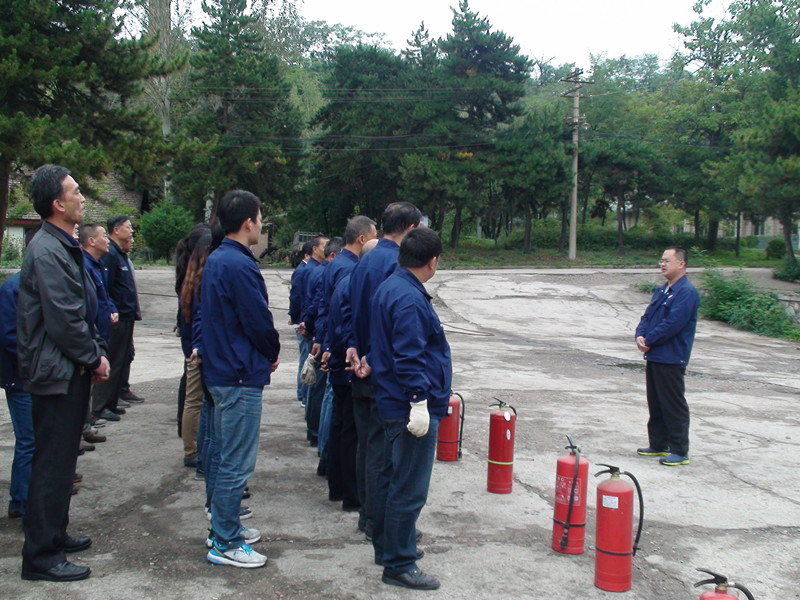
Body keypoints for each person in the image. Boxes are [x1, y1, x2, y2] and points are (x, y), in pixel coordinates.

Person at [18, 164, 110, 582]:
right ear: (57, 204)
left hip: (67, 369)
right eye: (75, 192)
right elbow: (64, 319)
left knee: (61, 463)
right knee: (52, 466)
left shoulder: (60, 243)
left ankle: (55, 535)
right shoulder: (47, 249)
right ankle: (41, 556)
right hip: (56, 374)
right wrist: (93, 357)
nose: (82, 197)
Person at [367, 227, 451, 590]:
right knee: (409, 486)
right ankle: (399, 563)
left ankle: (389, 548)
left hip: (390, 400)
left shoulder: (392, 285)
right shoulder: (408, 299)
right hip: (408, 406)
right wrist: (419, 401)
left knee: (392, 478)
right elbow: (409, 356)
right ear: (432, 262)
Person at [201, 190, 280, 568]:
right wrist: (272, 349)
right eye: (260, 219)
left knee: (222, 455)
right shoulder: (238, 263)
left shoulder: (219, 258)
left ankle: (223, 525)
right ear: (248, 222)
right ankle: (226, 540)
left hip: (222, 370)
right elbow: (257, 319)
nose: (261, 226)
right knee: (235, 461)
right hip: (237, 374)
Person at [345, 201, 420, 539]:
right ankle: (379, 520)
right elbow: (389, 322)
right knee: (385, 451)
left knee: (368, 444)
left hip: (361, 360)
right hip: (379, 369)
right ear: (411, 229)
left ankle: (368, 514)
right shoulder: (395, 263)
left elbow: (352, 309)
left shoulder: (366, 259)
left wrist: (355, 350)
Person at [635, 246, 700, 467]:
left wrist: (649, 339)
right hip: (654, 355)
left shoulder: (686, 293)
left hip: (671, 356)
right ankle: (658, 444)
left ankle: (679, 450)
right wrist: (640, 335)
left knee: (673, 403)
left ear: (681, 264)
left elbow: (672, 324)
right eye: (661, 261)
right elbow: (647, 316)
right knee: (655, 402)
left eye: (667, 261)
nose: (662, 264)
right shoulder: (662, 290)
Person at [91, 214, 141, 422]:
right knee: (112, 360)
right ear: (116, 229)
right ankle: (100, 406)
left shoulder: (120, 253)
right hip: (116, 317)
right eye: (128, 227)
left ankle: (111, 402)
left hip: (127, 315)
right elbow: (106, 287)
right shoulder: (110, 255)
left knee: (121, 360)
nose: (131, 231)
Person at [80, 223, 118, 445]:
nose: (108, 240)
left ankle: (86, 425)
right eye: (104, 236)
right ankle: (82, 428)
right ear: (91, 241)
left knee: (90, 388)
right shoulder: (83, 265)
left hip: (101, 334)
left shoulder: (96, 264)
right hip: (90, 338)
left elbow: (104, 294)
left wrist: (111, 309)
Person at [0, 271, 33, 520]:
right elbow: (11, 338)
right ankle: (21, 501)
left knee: (34, 440)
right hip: (21, 379)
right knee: (28, 441)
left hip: (32, 377)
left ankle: (25, 497)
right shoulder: (14, 288)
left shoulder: (31, 283)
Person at [289, 240, 313, 404]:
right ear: (307, 254)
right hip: (302, 320)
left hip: (302, 319)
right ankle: (302, 392)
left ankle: (302, 391)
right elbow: (296, 296)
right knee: (305, 358)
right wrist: (296, 318)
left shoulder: (307, 269)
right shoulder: (302, 271)